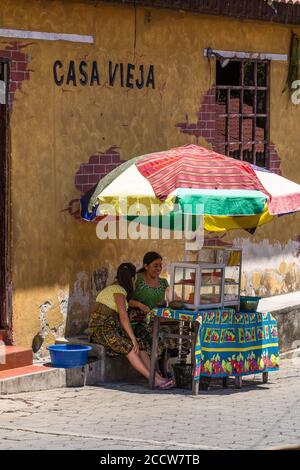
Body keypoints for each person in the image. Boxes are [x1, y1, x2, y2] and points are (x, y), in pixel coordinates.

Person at [88, 262, 174, 389]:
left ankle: (157, 377)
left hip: (111, 329)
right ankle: (152, 379)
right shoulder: (118, 291)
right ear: (132, 279)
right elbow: (123, 317)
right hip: (100, 330)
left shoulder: (117, 289)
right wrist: (132, 338)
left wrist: (135, 340)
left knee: (141, 344)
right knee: (129, 347)